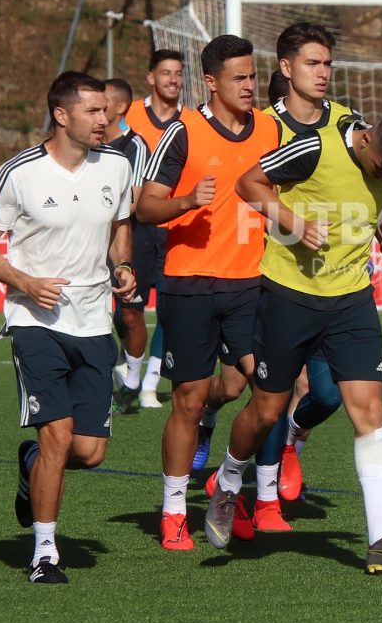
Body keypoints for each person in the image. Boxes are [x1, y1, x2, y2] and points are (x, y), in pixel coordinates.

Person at [223, 110, 382, 573]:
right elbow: (248, 183)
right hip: (289, 295)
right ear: (367, 139)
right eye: (381, 167)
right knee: (266, 410)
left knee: (370, 411)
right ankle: (228, 479)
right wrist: (292, 221)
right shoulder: (316, 147)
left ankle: (381, 540)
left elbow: (363, 203)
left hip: (352, 299)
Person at [0, 71, 136, 584]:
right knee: (59, 436)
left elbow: (120, 226)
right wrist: (23, 280)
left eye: (107, 110)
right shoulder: (19, 173)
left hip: (94, 320)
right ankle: (43, 554)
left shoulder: (118, 166)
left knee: (89, 452)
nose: (105, 119)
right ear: (62, 116)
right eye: (93, 111)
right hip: (34, 320)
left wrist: (122, 267)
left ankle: (30, 465)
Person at [196, 23, 352, 515]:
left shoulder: (346, 121)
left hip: (332, 280)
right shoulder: (265, 126)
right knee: (258, 390)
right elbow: (244, 190)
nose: (324, 72)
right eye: (313, 63)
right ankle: (263, 500)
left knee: (325, 396)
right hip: (270, 277)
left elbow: (362, 183)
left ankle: (286, 446)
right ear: (286, 69)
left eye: (327, 63)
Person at [138, 35, 282, 550]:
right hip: (189, 285)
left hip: (251, 284)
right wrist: (184, 202)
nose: (249, 85)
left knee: (267, 394)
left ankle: (227, 481)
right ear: (212, 82)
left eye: (252, 75)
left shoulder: (270, 128)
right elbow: (146, 208)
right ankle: (174, 510)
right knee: (189, 400)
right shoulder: (183, 132)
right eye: (239, 77)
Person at [120, 49, 192, 409]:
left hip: (176, 227)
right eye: (166, 73)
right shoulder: (128, 115)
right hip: (135, 227)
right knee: (128, 308)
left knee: (170, 309)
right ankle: (127, 368)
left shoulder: (191, 123)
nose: (173, 80)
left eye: (178, 73)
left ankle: (150, 382)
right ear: (151, 77)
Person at [102, 78, 150, 413]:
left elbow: (131, 204)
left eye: (100, 102)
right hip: (90, 244)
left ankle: (132, 380)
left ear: (120, 107)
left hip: (128, 240)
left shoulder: (135, 146)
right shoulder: (86, 144)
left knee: (131, 317)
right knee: (97, 318)